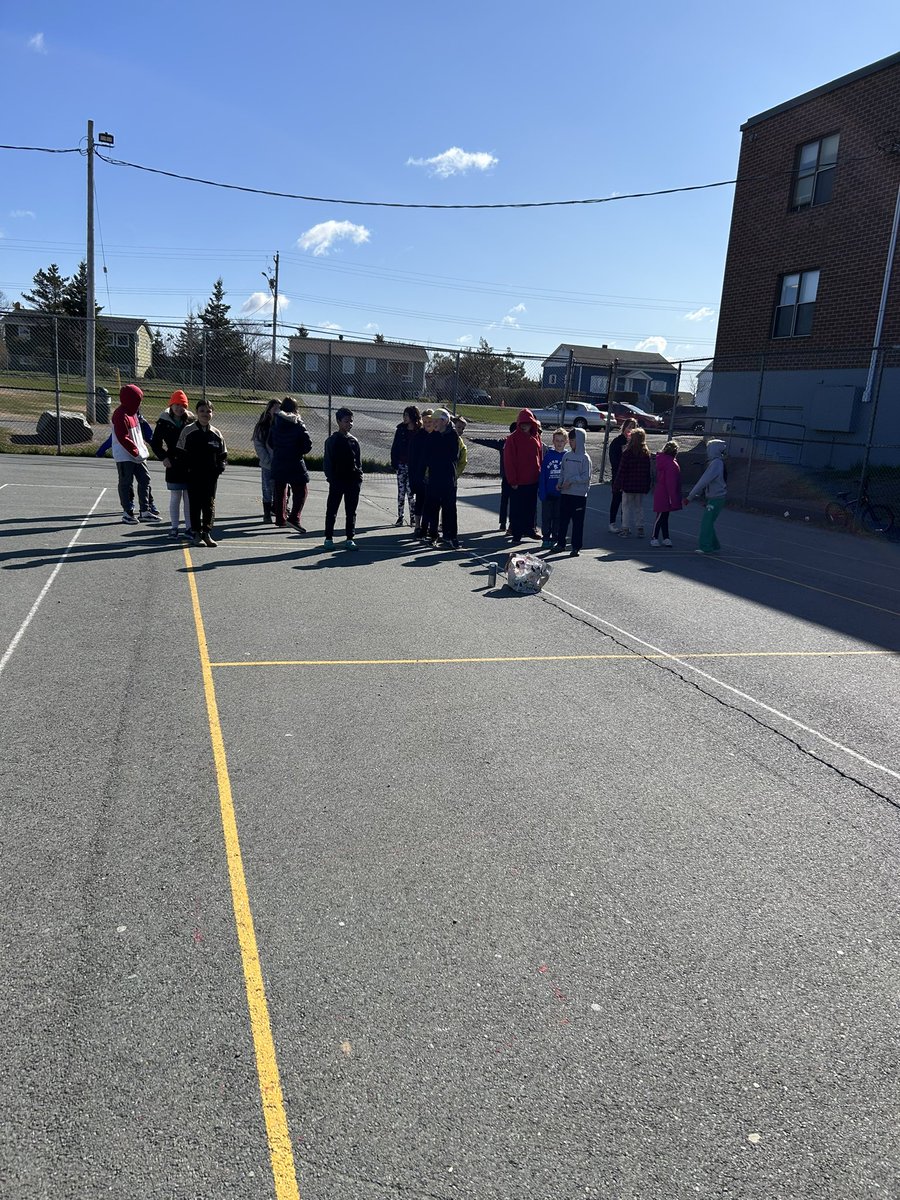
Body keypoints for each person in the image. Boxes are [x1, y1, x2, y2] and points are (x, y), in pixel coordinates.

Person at [177, 399, 228, 547]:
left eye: (208, 411)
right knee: (195, 504)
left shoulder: (216, 433)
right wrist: (187, 469)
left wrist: (219, 468)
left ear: (212, 413)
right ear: (197, 413)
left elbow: (223, 455)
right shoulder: (188, 431)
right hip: (193, 475)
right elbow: (180, 451)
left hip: (210, 477)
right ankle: (196, 533)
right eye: (202, 411)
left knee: (209, 504)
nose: (205, 414)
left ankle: (207, 532)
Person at [109, 384, 160, 525]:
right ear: (131, 400)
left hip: (139, 455)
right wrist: (135, 451)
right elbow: (122, 437)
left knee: (145, 480)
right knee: (126, 483)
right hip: (125, 456)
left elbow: (138, 433)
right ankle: (128, 512)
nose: (140, 403)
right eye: (138, 400)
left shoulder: (134, 413)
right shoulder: (120, 414)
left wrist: (141, 449)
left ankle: (145, 511)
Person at [151, 391, 194, 539]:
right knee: (175, 496)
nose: (179, 408)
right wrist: (164, 457)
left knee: (188, 497)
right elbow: (155, 443)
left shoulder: (191, 421)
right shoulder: (163, 421)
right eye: (176, 405)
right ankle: (174, 527)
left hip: (189, 463)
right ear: (171, 405)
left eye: (183, 405)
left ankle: (189, 527)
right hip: (173, 463)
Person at [268, 397, 312, 532]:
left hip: (279, 460)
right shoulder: (298, 423)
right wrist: (299, 451)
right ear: (295, 409)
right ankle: (294, 518)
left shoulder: (276, 422)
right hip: (294, 461)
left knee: (280, 491)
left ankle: (280, 518)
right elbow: (307, 444)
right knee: (301, 491)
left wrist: (279, 450)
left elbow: (270, 442)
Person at [323, 407, 363, 550]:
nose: (349, 424)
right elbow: (327, 462)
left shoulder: (354, 441)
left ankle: (350, 538)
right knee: (332, 510)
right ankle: (328, 538)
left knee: (351, 511)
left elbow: (358, 462)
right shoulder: (332, 441)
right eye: (346, 421)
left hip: (352, 482)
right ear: (339, 421)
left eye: (351, 421)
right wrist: (332, 478)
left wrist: (359, 478)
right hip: (337, 481)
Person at [503, 408, 543, 542]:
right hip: (519, 481)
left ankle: (530, 529)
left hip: (533, 479)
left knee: (531, 507)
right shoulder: (512, 439)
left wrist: (540, 474)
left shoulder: (536, 436)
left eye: (528, 423)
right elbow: (509, 461)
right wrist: (513, 480)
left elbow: (540, 456)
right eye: (523, 423)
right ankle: (517, 532)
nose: (525, 426)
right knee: (517, 508)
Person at [423, 408, 461, 549]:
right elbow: (427, 456)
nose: (433, 423)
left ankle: (451, 536)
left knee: (449, 508)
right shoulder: (432, 436)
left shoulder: (453, 436)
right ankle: (433, 535)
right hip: (434, 477)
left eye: (436, 421)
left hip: (448, 478)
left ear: (444, 421)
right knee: (433, 506)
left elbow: (453, 456)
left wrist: (438, 457)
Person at [470, 420, 517, 530]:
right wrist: (475, 440)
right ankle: (504, 523)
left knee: (510, 501)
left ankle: (509, 523)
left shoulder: (517, 443)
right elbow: (489, 442)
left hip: (515, 477)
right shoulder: (504, 442)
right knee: (506, 500)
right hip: (507, 476)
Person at [554, 427, 592, 556]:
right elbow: (563, 472)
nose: (571, 442)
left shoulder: (585, 458)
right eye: (570, 440)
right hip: (566, 494)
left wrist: (572, 481)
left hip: (579, 496)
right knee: (563, 521)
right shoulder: (567, 456)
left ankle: (576, 547)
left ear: (580, 440)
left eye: (573, 440)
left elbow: (586, 477)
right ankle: (560, 543)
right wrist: (559, 483)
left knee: (577, 523)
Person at [685, 439, 728, 554]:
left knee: (706, 523)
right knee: (709, 522)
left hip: (716, 498)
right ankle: (714, 544)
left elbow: (703, 481)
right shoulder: (717, 463)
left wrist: (690, 496)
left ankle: (706, 546)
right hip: (715, 497)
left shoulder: (716, 464)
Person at [612, 426, 652, 537]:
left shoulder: (627, 453)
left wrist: (617, 485)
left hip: (628, 485)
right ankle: (640, 528)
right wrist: (647, 485)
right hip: (640, 485)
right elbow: (647, 472)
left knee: (626, 507)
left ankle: (625, 528)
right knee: (639, 507)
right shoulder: (645, 454)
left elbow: (622, 470)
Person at [390, 405, 421, 527]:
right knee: (401, 491)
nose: (404, 417)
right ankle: (400, 516)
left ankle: (413, 517)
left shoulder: (419, 431)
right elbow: (395, 447)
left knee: (411, 492)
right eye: (404, 415)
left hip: (413, 467)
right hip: (401, 464)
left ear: (413, 416)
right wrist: (394, 462)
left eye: (407, 415)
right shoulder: (401, 430)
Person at [252, 398, 281, 523]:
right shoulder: (262, 426)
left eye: (279, 408)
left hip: (281, 464)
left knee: (281, 488)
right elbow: (258, 445)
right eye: (275, 408)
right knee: (267, 488)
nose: (277, 410)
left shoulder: (282, 424)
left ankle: (279, 509)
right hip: (268, 464)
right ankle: (267, 512)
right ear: (269, 410)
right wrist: (267, 460)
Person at [538, 427, 567, 548]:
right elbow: (543, 475)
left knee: (557, 517)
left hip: (561, 494)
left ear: (566, 441)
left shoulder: (567, 456)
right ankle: (546, 537)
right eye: (557, 440)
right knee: (546, 517)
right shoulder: (548, 456)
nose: (559, 443)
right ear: (553, 441)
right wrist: (542, 492)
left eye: (562, 441)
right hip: (548, 493)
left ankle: (555, 537)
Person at [607, 417, 637, 532]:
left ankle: (625, 524)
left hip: (630, 477)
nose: (630, 430)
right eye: (629, 427)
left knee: (627, 502)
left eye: (633, 427)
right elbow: (614, 460)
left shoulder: (635, 443)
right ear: (624, 428)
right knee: (616, 499)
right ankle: (612, 523)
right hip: (618, 476)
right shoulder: (617, 441)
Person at [650, 440, 682, 547]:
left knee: (664, 515)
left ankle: (666, 537)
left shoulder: (664, 461)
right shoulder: (671, 464)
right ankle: (654, 537)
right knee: (661, 516)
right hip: (666, 493)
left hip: (662, 491)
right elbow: (671, 482)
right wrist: (673, 497)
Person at [408, 408, 434, 539]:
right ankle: (417, 526)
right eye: (425, 421)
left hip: (434, 475)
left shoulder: (437, 436)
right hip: (420, 475)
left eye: (430, 421)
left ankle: (428, 526)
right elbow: (412, 458)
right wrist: (414, 477)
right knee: (420, 501)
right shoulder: (418, 437)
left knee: (432, 503)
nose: (427, 424)